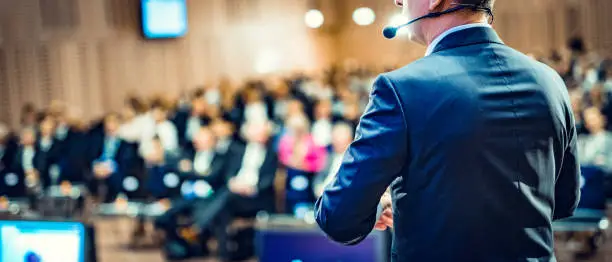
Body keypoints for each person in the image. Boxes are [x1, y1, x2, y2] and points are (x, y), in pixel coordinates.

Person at [315, 0, 580, 261]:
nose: (398, 1)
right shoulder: (550, 81)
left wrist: (382, 206)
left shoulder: (401, 89)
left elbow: (339, 217)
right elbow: (565, 199)